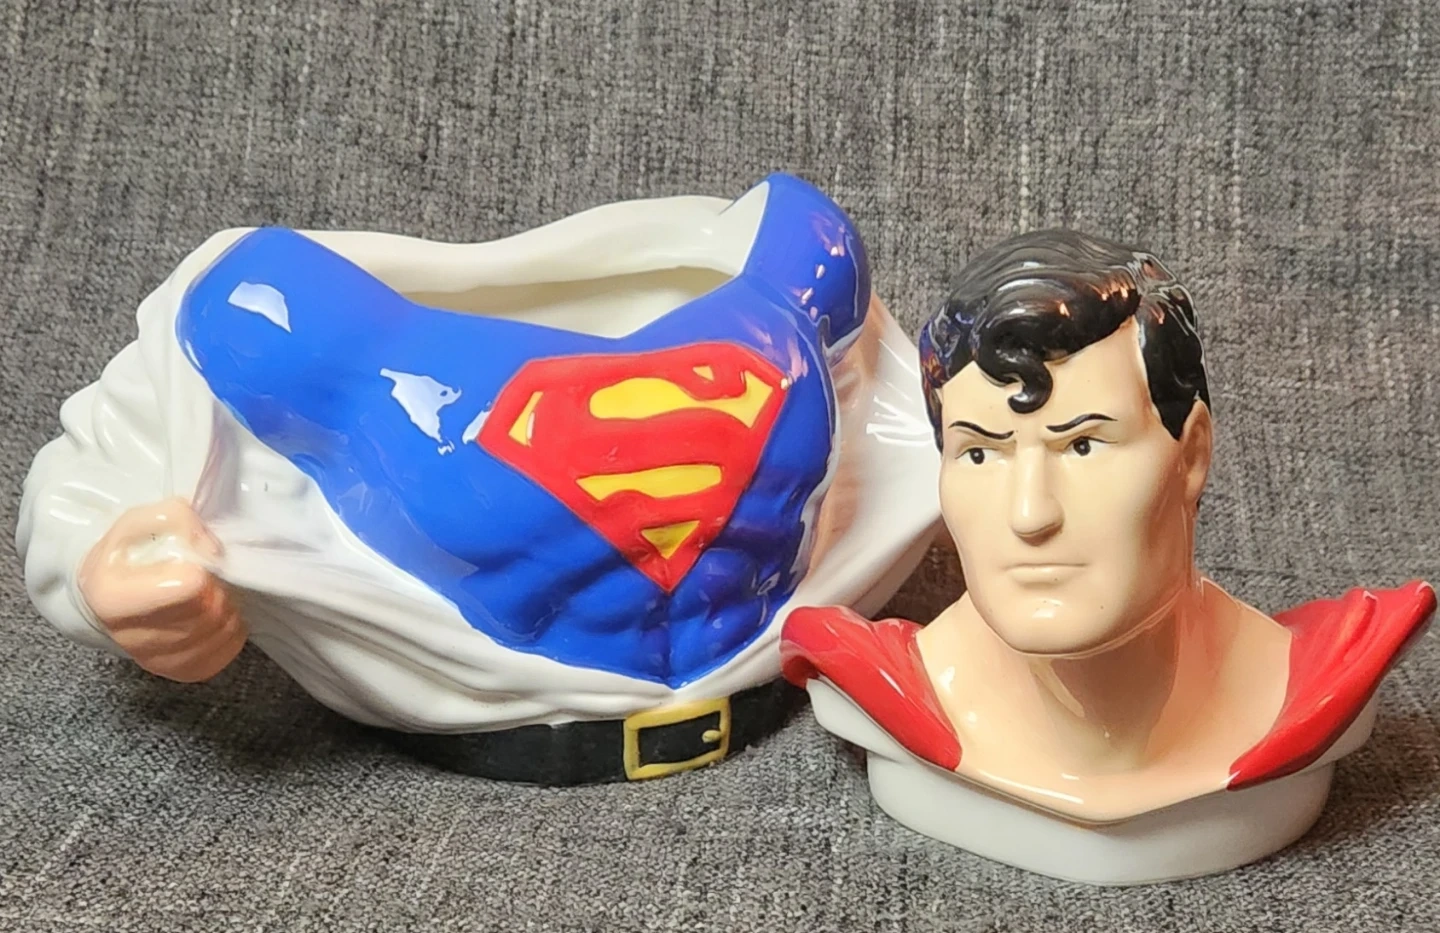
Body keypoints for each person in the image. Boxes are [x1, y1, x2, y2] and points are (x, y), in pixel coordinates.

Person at [17, 173, 941, 784]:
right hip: (440, 782)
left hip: (796, 733)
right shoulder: (265, 325)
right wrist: (112, 579)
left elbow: (950, 427)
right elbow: (95, 488)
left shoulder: (806, 284)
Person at [782, 229, 1435, 824]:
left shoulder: (1308, 687)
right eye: (980, 453)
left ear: (1191, 455)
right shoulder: (889, 689)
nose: (1031, 514)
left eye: (1083, 445)